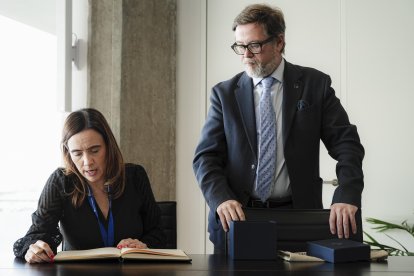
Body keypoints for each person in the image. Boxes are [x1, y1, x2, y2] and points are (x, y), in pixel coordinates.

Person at [193, 4, 364, 254]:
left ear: (279, 42)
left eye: (254, 46)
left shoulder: (314, 85)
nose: (246, 55)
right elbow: (205, 158)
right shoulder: (224, 94)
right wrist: (221, 198)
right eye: (239, 47)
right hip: (240, 219)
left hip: (299, 217)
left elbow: (347, 144)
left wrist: (347, 193)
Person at [13, 108, 165, 263]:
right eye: (77, 153)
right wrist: (33, 248)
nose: (87, 162)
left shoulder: (135, 176)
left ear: (108, 146)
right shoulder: (60, 182)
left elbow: (158, 232)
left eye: (94, 150)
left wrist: (144, 245)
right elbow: (37, 234)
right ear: (68, 153)